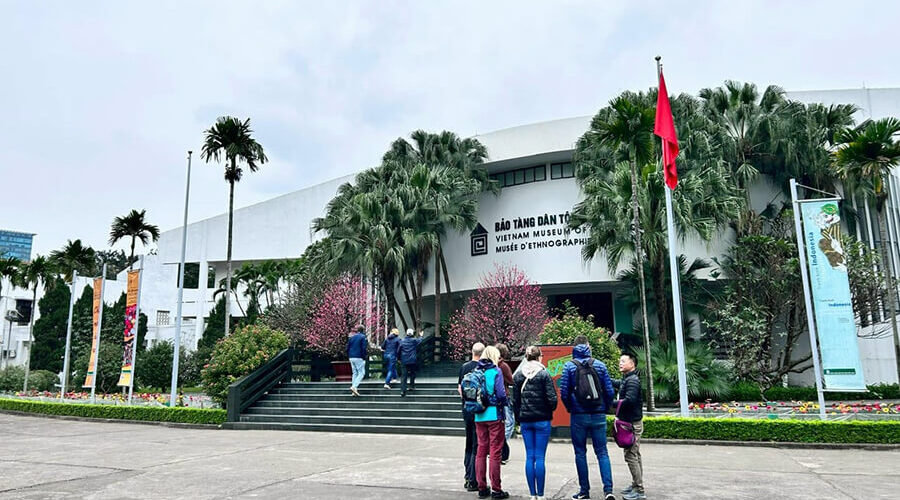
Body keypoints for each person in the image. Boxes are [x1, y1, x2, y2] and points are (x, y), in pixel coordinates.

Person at [559, 335, 615, 500]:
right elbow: (609, 391)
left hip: (578, 415)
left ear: (574, 348)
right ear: (588, 347)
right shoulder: (600, 365)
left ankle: (584, 491)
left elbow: (564, 393)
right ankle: (608, 490)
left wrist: (571, 408)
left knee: (580, 453)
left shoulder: (569, 366)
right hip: (598, 414)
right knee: (602, 452)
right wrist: (605, 407)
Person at [513, 345, 558, 500]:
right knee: (540, 457)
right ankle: (541, 494)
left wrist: (519, 418)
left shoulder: (518, 375)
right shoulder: (544, 374)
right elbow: (553, 400)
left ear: (526, 357)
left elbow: (515, 402)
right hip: (542, 421)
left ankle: (532, 494)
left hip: (526, 421)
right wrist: (547, 410)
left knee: (529, 456)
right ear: (540, 357)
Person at [474, 345, 509, 499]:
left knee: (481, 450)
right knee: (495, 452)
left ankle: (481, 487)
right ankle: (496, 488)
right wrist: (505, 403)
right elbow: (501, 394)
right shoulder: (496, 371)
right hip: (494, 415)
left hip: (479, 415)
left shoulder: (476, 371)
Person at [612, 353, 645, 500]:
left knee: (631, 455)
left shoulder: (633, 381)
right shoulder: (628, 378)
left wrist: (612, 404)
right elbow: (620, 384)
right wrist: (606, 380)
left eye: (623, 361)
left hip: (632, 424)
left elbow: (630, 400)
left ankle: (639, 490)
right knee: (634, 455)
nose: (620, 363)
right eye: (620, 361)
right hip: (630, 422)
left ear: (632, 364)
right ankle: (635, 485)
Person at [458, 342, 485, 492]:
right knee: (477, 444)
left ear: (472, 352)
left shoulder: (464, 367)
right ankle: (474, 479)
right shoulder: (482, 369)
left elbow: (460, 389)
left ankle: (467, 475)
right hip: (479, 411)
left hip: (466, 410)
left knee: (469, 443)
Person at [496, 343, 515, 464]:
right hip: (504, 396)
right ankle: (502, 444)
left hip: (494, 398)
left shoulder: (490, 365)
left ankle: (497, 446)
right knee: (509, 422)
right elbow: (511, 380)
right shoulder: (503, 366)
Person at [346, 325, 368, 397]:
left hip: (351, 356)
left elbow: (347, 348)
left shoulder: (352, 337)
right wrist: (364, 357)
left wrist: (349, 355)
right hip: (359, 356)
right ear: (363, 330)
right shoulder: (363, 337)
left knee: (355, 373)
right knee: (361, 373)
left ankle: (354, 389)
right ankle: (354, 387)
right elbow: (363, 348)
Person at [399, 328, 421, 397]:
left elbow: (398, 350)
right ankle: (411, 385)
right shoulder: (414, 340)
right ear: (412, 334)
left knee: (404, 376)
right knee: (412, 373)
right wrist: (421, 336)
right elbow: (420, 341)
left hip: (404, 360)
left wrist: (399, 358)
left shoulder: (402, 341)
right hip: (412, 360)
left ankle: (403, 390)